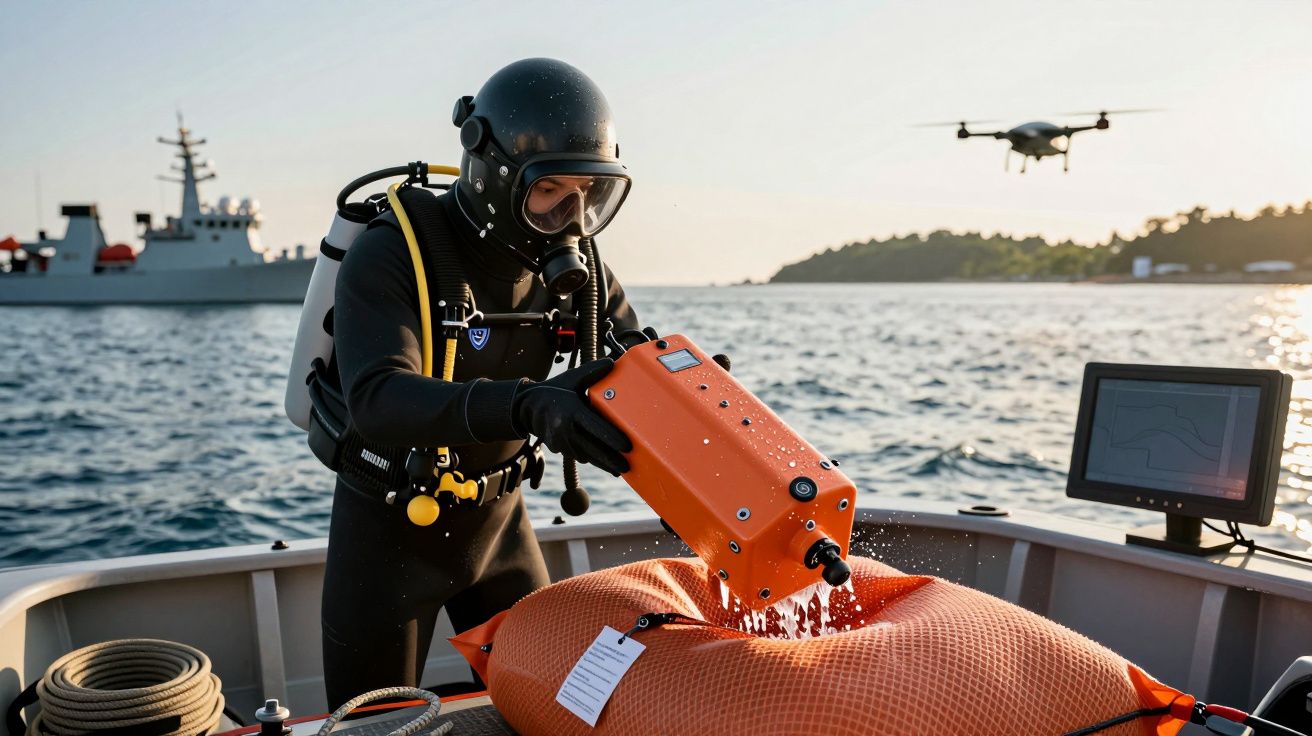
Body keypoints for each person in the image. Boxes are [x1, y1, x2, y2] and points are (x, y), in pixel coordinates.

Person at [320, 58, 640, 708]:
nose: (572, 220)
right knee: (376, 726)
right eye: (550, 192)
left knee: (553, 711)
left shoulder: (579, 270)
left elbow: (638, 356)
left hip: (497, 525)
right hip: (389, 531)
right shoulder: (392, 251)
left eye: (590, 195)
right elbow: (378, 400)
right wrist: (527, 406)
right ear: (495, 175)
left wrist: (699, 394)